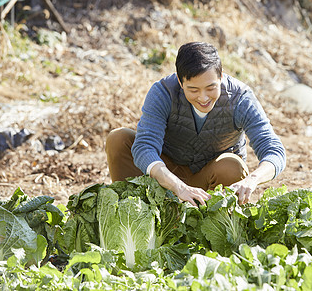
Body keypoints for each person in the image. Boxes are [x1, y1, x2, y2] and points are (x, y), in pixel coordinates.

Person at [106, 42, 286, 207]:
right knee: (119, 139)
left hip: (213, 182)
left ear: (221, 77)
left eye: (211, 88)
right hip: (167, 176)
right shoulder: (163, 93)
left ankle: (215, 220)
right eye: (193, 89)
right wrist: (177, 186)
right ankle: (133, 211)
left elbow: (274, 150)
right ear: (180, 81)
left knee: (233, 165)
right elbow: (145, 147)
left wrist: (252, 180)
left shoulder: (240, 98)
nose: (203, 98)